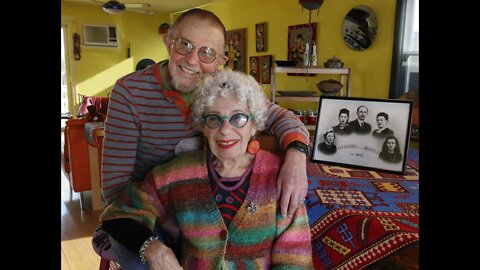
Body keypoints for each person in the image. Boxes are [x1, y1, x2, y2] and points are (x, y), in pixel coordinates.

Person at [102, 8, 309, 225]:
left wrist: (296, 158)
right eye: (184, 44)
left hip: (207, 214)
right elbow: (115, 189)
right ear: (168, 42)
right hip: (150, 216)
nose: (192, 60)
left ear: (221, 60)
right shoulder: (130, 92)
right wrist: (171, 232)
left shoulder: (225, 88)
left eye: (207, 52)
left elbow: (284, 118)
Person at [100, 70, 314, 269]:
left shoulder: (279, 177)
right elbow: (118, 215)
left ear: (255, 124)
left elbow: (294, 259)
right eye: (214, 119)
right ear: (203, 127)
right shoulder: (178, 174)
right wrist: (152, 247)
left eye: (238, 118)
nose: (225, 130)